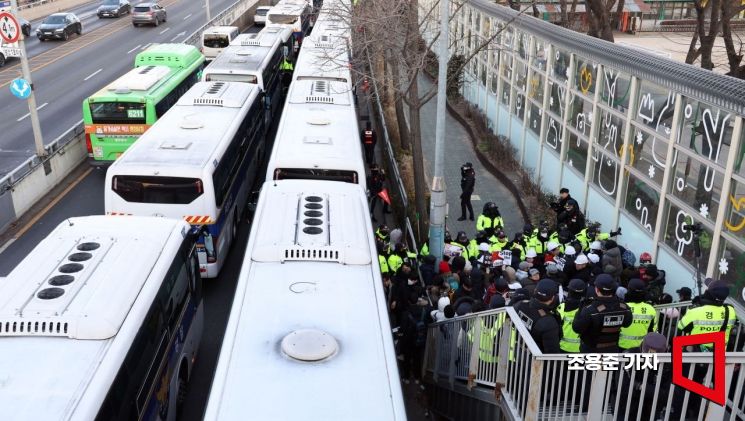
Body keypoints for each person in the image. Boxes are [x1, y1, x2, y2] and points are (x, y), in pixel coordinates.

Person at [572, 274, 633, 353]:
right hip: (612, 350)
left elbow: (577, 328)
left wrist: (580, 309)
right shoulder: (624, 307)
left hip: (591, 352)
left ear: (596, 289)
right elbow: (627, 324)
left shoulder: (590, 310)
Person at [514, 279, 562, 353]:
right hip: (534, 361)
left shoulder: (520, 304)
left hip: (517, 351)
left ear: (535, 291)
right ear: (553, 298)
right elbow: (552, 354)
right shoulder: (549, 322)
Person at [618, 279, 657, 351]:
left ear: (629, 291)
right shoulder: (650, 309)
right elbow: (652, 331)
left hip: (620, 346)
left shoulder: (621, 307)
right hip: (641, 348)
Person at [557, 279, 586, 352]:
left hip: (562, 347)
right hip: (580, 349)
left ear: (569, 291)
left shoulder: (561, 307)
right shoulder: (586, 309)